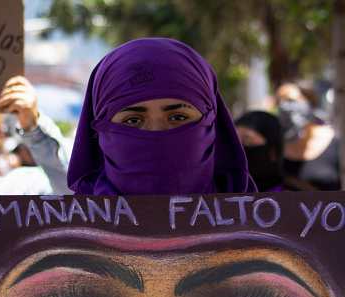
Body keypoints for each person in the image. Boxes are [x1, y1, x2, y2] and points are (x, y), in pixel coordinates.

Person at [67, 38, 257, 195]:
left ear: (212, 123)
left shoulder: (262, 227)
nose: (157, 133)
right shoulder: (64, 234)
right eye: (132, 120)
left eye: (179, 117)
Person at [275, 83, 340, 191]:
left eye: (291, 100)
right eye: (279, 102)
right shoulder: (274, 147)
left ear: (308, 102)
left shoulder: (336, 142)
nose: (284, 106)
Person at [235, 111, 284, 192]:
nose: (236, 149)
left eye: (247, 142)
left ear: (274, 152)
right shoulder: (218, 195)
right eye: (233, 141)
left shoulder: (295, 200)